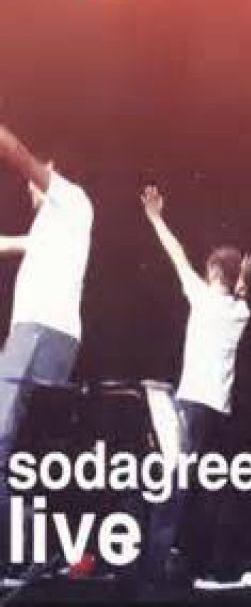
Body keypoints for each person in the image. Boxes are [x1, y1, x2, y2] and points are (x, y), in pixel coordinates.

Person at [140, 185, 251, 583]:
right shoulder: (241, 311)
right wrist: (242, 277)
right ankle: (201, 562)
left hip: (192, 404)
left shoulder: (204, 299)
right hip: (218, 410)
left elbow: (176, 254)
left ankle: (157, 563)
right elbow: (242, 289)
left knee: (175, 483)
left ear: (213, 272)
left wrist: (156, 218)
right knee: (208, 486)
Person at [0, 124, 93, 566]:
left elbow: (17, 152)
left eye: (37, 180)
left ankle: (19, 553)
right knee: (27, 452)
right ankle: (32, 552)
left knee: (4, 442)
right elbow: (5, 244)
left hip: (39, 333)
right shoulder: (52, 226)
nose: (28, 189)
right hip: (49, 336)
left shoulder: (70, 199)